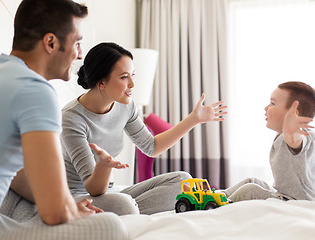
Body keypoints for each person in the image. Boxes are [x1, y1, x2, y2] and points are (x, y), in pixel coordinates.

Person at [0, 1, 128, 239]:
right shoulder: (35, 91)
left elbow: (12, 173)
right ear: (51, 42)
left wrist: (67, 206)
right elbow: (54, 214)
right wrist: (66, 210)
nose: (81, 54)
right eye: (77, 43)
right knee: (110, 226)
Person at [61, 42, 228, 215]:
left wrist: (194, 119)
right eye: (124, 77)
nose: (132, 84)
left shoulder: (125, 106)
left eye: (133, 75)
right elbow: (93, 188)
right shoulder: (71, 118)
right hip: (79, 196)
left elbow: (151, 147)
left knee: (182, 180)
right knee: (123, 204)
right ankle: (128, 209)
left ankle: (130, 208)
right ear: (101, 83)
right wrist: (104, 167)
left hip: (112, 192)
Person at [223, 81, 315, 202]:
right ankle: (218, 195)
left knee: (250, 190)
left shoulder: (302, 136)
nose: (266, 108)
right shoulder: (283, 135)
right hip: (283, 194)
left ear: (293, 114)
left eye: (272, 103)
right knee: (252, 181)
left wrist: (292, 133)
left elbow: (296, 142)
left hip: (298, 201)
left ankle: (217, 206)